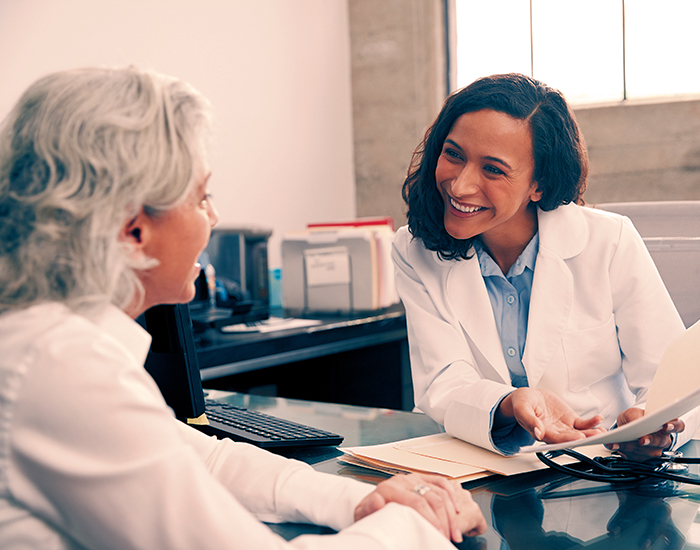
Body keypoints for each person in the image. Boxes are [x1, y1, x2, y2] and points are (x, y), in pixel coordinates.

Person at [0, 67, 486, 549]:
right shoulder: (62, 367)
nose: (213, 217)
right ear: (133, 231)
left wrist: (362, 501)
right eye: (201, 197)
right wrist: (414, 526)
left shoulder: (47, 340)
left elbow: (199, 458)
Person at [393, 72, 697, 460]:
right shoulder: (413, 249)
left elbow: (673, 382)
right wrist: (510, 402)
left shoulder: (609, 241)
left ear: (538, 184)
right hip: (484, 465)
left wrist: (654, 430)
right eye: (454, 154)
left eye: (493, 169)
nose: (461, 185)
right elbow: (442, 381)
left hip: (601, 462)